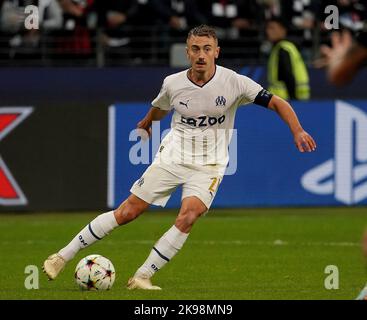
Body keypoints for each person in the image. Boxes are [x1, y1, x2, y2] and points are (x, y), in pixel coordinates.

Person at [42, 24, 316, 290]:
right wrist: (148, 121)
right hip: (173, 156)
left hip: (209, 164)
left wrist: (298, 130)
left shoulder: (234, 82)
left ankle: (142, 276)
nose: (200, 55)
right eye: (195, 49)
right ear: (187, 52)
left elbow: (278, 102)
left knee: (189, 215)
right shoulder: (173, 84)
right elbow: (160, 108)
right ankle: (61, 257)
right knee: (128, 212)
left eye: (206, 49)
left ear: (216, 52)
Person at [266, 17, 311, 100]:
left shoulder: (283, 49)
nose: (268, 31)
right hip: (288, 100)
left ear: (282, 30)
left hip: (286, 99)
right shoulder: (284, 47)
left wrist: (293, 98)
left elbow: (288, 74)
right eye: (268, 28)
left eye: (272, 28)